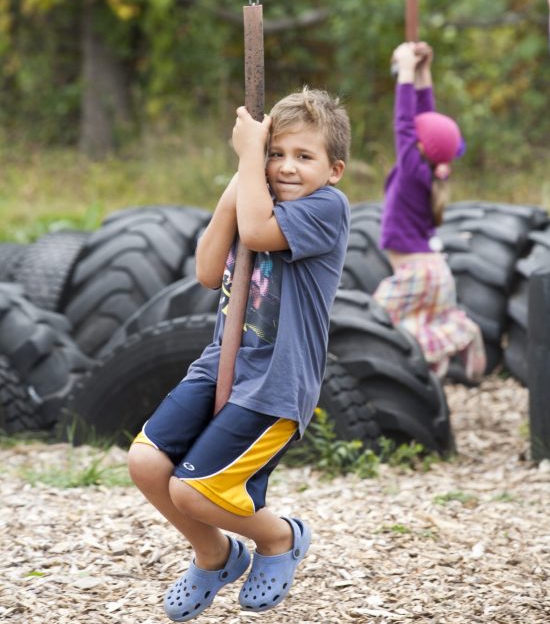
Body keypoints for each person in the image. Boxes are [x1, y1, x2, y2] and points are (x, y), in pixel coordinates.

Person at [128, 87, 351, 621]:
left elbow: (256, 232)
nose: (286, 168)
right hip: (221, 364)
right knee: (145, 463)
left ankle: (280, 539)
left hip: (275, 384)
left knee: (195, 492)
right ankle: (216, 554)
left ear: (334, 170)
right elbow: (208, 271)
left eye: (304, 156)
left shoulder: (327, 208)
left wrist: (252, 163)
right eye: (277, 153)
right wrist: (244, 172)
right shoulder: (257, 193)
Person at [373, 41, 486, 382]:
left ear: (417, 146)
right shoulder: (429, 169)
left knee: (374, 318)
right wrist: (425, 73)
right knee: (417, 325)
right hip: (436, 274)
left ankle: (447, 350)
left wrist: (406, 73)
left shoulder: (411, 172)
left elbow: (405, 123)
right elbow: (425, 119)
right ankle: (460, 334)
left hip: (416, 275)